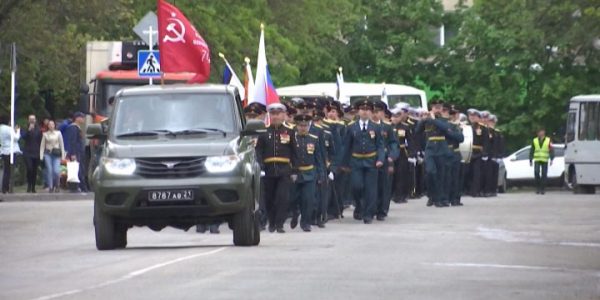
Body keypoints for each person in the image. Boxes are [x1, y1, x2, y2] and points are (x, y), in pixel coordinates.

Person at [255, 103, 298, 233]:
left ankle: (279, 224)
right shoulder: (264, 132)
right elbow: (259, 151)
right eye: (273, 114)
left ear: (284, 115)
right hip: (268, 170)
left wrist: (295, 170)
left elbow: (295, 152)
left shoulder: (290, 131)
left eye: (278, 114)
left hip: (284, 169)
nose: (275, 116)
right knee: (269, 198)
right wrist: (261, 167)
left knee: (282, 198)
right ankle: (272, 222)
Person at [341, 100, 385, 223]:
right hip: (356, 161)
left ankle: (368, 214)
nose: (365, 112)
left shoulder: (376, 127)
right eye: (362, 109)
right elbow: (346, 146)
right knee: (356, 186)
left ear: (371, 112)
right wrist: (344, 163)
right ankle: (359, 206)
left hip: (371, 161)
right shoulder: (351, 127)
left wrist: (380, 159)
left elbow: (380, 146)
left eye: (367, 109)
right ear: (358, 111)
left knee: (371, 189)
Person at [291, 114, 323, 232]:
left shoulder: (314, 139)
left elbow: (318, 158)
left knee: (308, 199)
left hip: (310, 173)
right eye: (300, 125)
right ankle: (295, 213)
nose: (303, 128)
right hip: (295, 173)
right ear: (297, 126)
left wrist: (321, 174)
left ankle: (306, 222)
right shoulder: (292, 138)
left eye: (305, 125)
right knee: (294, 199)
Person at [372, 100, 399, 221]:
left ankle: (382, 210)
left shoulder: (387, 127)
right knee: (370, 186)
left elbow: (393, 143)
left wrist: (392, 156)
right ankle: (369, 208)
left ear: (383, 113)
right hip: (370, 159)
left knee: (384, 186)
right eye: (372, 111)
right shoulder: (366, 126)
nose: (374, 114)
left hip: (385, 159)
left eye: (377, 111)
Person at [64, 112, 88, 193]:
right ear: (77, 118)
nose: (83, 119)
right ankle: (79, 187)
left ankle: (78, 187)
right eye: (82, 117)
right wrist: (73, 153)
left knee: (79, 169)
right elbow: (73, 141)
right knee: (78, 169)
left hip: (79, 151)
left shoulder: (77, 127)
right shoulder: (73, 128)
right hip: (76, 152)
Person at [40, 120, 66, 193]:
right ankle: (51, 186)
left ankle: (57, 184)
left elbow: (62, 145)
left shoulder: (58, 133)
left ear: (54, 125)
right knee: (49, 170)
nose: (51, 126)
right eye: (50, 124)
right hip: (48, 153)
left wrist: (63, 155)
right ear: (48, 126)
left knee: (56, 171)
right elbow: (42, 146)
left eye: (52, 124)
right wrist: (41, 156)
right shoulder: (45, 134)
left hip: (56, 153)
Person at [21, 115, 43, 193]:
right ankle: (29, 185)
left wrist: (41, 152)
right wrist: (29, 130)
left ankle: (33, 187)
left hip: (36, 152)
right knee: (29, 168)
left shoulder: (39, 129)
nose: (32, 120)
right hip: (27, 152)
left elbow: (41, 141)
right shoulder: (25, 128)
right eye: (30, 119)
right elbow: (23, 137)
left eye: (33, 119)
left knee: (34, 170)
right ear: (28, 120)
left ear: (35, 120)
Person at [0, 115, 21, 194]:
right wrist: (17, 131)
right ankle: (7, 187)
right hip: (11, 151)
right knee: (10, 171)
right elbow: (15, 138)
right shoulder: (8, 129)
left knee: (6, 170)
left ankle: (4, 188)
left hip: (3, 150)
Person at [529, 128, 554, 194]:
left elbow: (551, 149)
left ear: (544, 132)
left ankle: (543, 189)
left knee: (544, 174)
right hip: (537, 159)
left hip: (545, 160)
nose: (540, 133)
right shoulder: (534, 140)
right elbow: (532, 150)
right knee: (536, 172)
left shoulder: (548, 140)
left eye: (541, 132)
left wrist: (552, 158)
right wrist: (530, 159)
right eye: (539, 132)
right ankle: (538, 188)